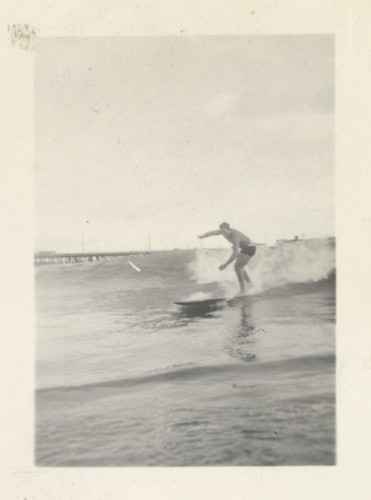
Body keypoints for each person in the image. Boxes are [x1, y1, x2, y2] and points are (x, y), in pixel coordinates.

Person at [198, 222, 256, 295]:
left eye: (225, 232)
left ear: (229, 229)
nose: (224, 234)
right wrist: (203, 236)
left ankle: (243, 291)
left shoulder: (235, 236)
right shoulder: (223, 231)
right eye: (222, 232)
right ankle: (250, 284)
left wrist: (225, 265)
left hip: (250, 248)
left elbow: (235, 253)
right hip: (245, 248)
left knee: (237, 267)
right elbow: (212, 233)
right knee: (240, 267)